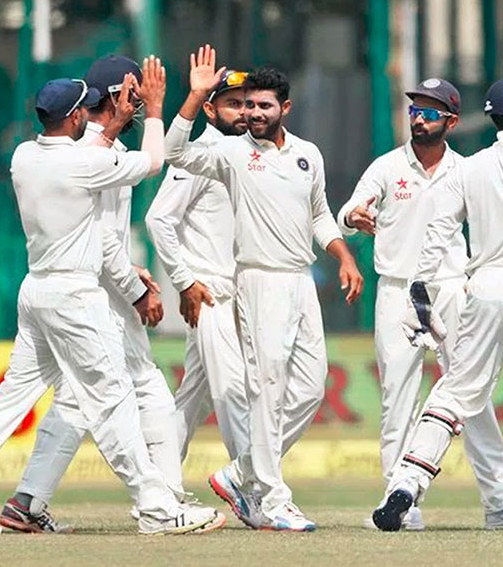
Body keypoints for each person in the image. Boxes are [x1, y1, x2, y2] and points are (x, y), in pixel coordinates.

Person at [0, 76, 220, 536]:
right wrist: (156, 109)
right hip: (75, 298)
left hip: (37, 289)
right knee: (114, 401)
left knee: (10, 399)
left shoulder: (24, 156)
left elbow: (89, 155)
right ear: (77, 116)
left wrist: (111, 127)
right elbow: (154, 161)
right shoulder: (86, 163)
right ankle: (158, 508)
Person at [165, 46, 363, 531]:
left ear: (284, 109)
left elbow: (319, 214)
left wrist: (344, 255)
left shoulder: (306, 155)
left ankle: (244, 471)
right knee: (267, 389)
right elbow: (174, 153)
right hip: (256, 280)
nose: (253, 114)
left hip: (301, 281)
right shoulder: (230, 153)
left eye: (263, 106)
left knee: (311, 387)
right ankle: (272, 499)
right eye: (248, 105)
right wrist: (193, 98)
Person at [338, 78, 503, 531]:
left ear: (452, 120)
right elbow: (350, 211)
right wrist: (353, 216)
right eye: (415, 110)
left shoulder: (468, 168)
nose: (418, 117)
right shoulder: (388, 166)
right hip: (399, 290)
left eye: (430, 112)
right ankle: (401, 501)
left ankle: (495, 497)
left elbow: (445, 236)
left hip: (459, 289)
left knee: (472, 400)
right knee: (399, 398)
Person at [145, 69, 251, 463]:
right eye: (232, 104)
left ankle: (159, 484)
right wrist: (185, 282)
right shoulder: (198, 155)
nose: (243, 112)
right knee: (233, 391)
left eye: (246, 103)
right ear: (209, 109)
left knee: (193, 396)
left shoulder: (243, 155)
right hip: (209, 293)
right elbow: (158, 219)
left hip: (238, 293)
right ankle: (253, 488)